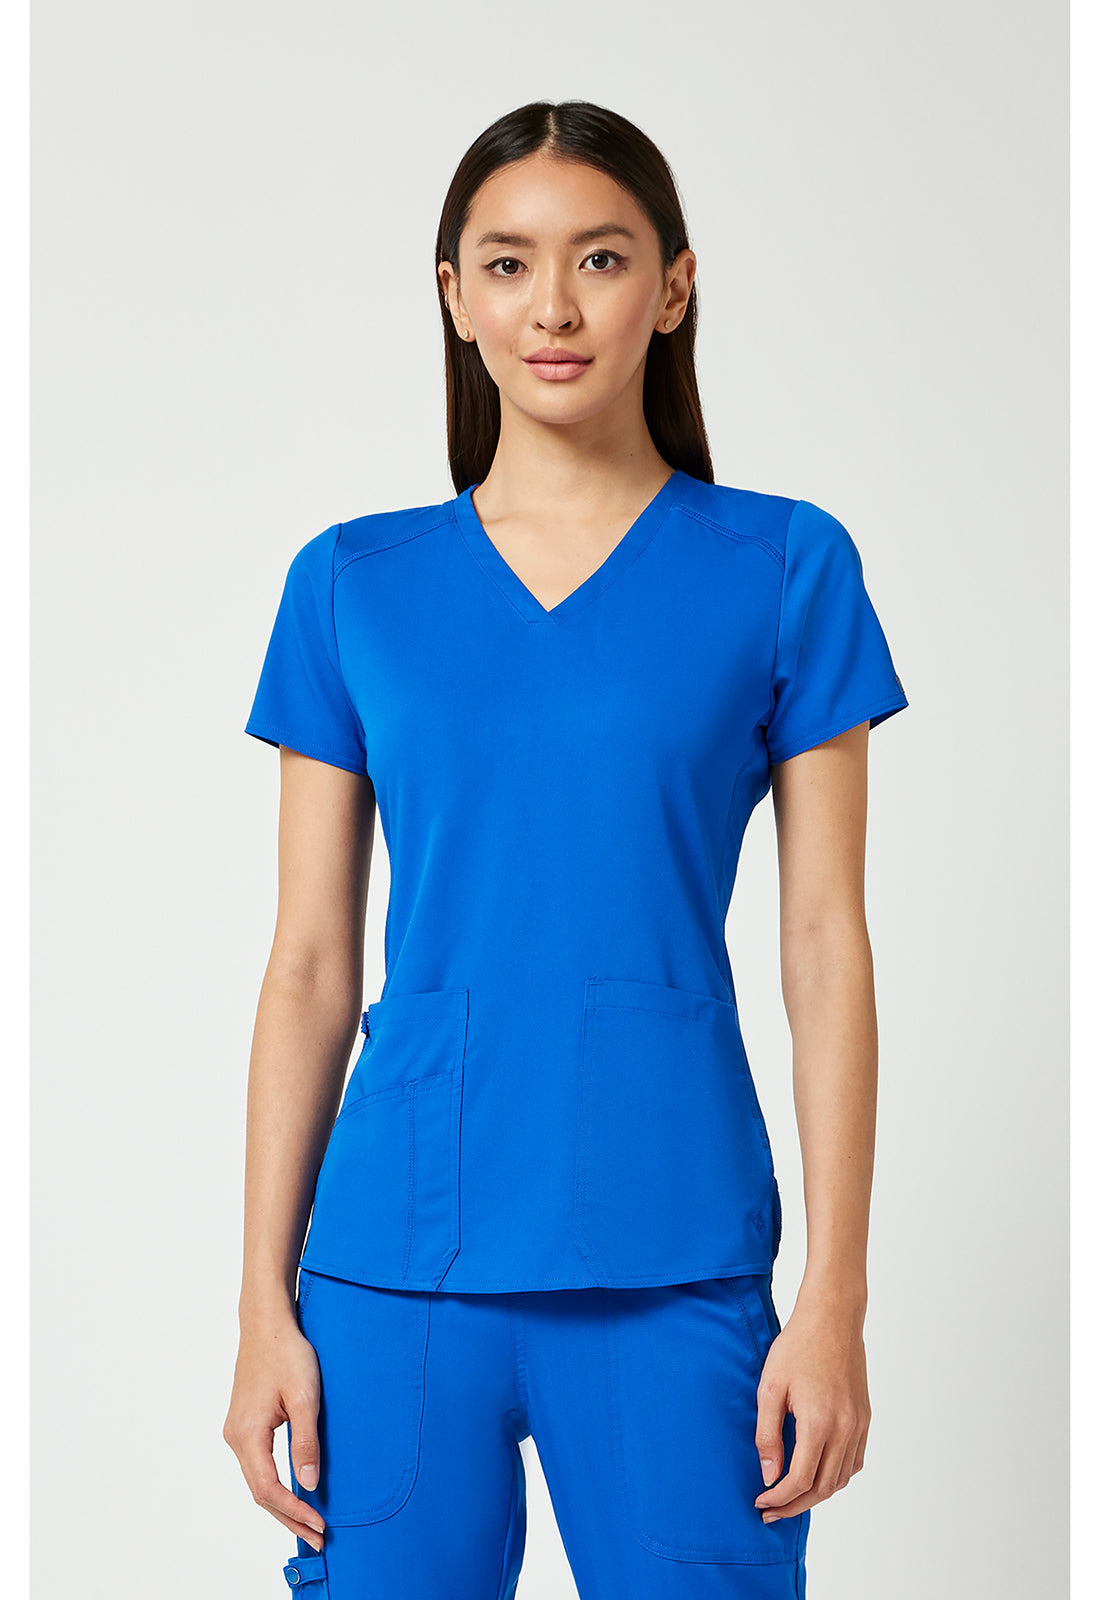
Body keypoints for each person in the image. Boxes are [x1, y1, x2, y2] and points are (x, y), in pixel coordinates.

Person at [223, 99, 909, 1600]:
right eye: (507, 262)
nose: (553, 306)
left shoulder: (784, 567)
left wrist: (836, 1298)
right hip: (394, 1264)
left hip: (673, 1249)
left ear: (672, 289)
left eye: (600, 259)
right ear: (454, 295)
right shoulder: (350, 585)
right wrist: (262, 1304)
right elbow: (311, 965)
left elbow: (823, 947)